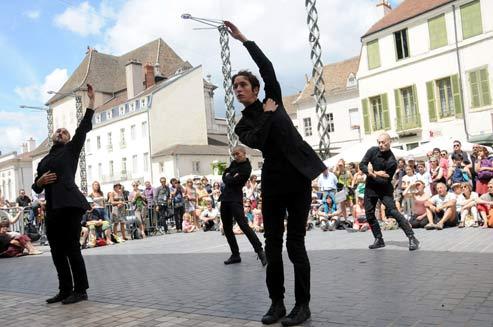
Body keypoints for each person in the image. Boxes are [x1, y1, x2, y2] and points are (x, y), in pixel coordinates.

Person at [225, 21, 325, 326]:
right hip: (273, 182)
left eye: (243, 85)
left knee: (295, 243)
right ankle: (277, 303)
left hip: (297, 177)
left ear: (255, 89)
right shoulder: (243, 124)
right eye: (235, 87)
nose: (239, 90)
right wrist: (267, 115)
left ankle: (303, 305)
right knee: (272, 244)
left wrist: (244, 40)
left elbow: (266, 66)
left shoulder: (274, 97)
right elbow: (256, 140)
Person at [31, 83, 94, 304]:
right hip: (53, 207)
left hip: (70, 205)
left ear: (68, 139)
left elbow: (83, 128)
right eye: (58, 131)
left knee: (71, 248)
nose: (61, 132)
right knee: (57, 251)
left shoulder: (71, 150)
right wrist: (39, 181)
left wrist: (91, 103)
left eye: (64, 131)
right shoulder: (44, 160)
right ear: (53, 137)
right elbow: (36, 187)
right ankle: (65, 289)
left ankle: (81, 290)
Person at [359, 133, 419, 251]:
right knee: (369, 214)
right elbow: (362, 165)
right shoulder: (372, 151)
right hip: (370, 187)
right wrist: (373, 173)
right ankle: (379, 239)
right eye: (379, 142)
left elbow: (384, 179)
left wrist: (373, 173)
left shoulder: (392, 161)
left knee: (393, 211)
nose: (381, 145)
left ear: (389, 142)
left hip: (384, 189)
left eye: (383, 142)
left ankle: (412, 237)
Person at [219, 145, 266, 265]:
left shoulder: (246, 167)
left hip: (235, 199)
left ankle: (260, 251)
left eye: (237, 154)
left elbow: (233, 180)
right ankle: (235, 255)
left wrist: (229, 176)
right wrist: (230, 175)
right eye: (234, 154)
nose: (235, 156)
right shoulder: (234, 164)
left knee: (243, 225)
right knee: (227, 228)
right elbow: (225, 175)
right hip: (225, 199)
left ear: (244, 153)